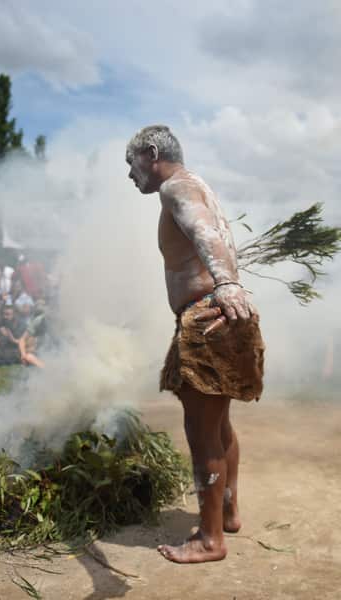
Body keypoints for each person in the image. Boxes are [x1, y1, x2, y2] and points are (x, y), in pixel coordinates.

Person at [126, 125, 264, 563]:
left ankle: (209, 540)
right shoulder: (197, 184)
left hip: (208, 316)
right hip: (215, 314)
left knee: (202, 433)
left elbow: (206, 234)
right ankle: (227, 515)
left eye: (130, 164)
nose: (130, 175)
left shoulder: (176, 188)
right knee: (219, 426)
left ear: (150, 153)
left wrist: (226, 284)